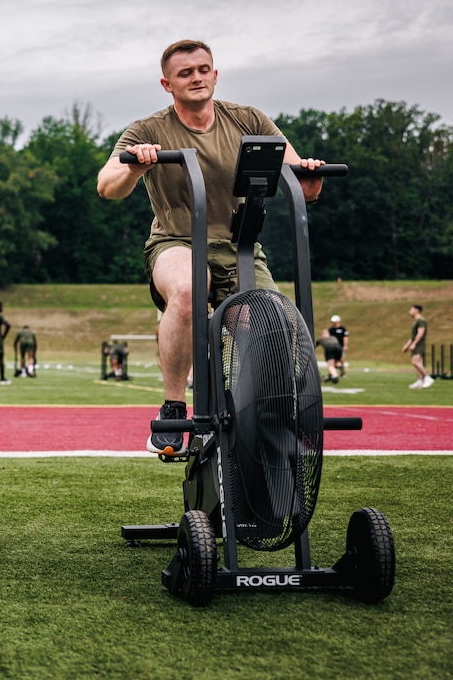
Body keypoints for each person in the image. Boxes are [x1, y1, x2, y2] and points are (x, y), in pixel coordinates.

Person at [97, 39, 328, 457]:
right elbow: (107, 186)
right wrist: (136, 165)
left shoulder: (249, 119)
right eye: (186, 73)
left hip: (240, 245)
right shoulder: (148, 129)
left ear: (215, 75)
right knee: (189, 290)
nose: (197, 77)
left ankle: (270, 417)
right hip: (176, 240)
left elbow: (303, 185)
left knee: (272, 323)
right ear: (167, 84)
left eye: (204, 69)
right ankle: (173, 408)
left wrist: (309, 173)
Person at [403, 304, 434, 389]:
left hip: (419, 344)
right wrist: (407, 345)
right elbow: (413, 336)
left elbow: (421, 333)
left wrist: (414, 344)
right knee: (418, 363)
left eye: (411, 309)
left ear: (416, 310)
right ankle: (419, 381)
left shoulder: (421, 321)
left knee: (415, 362)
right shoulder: (416, 321)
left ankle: (427, 378)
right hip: (417, 343)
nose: (410, 311)